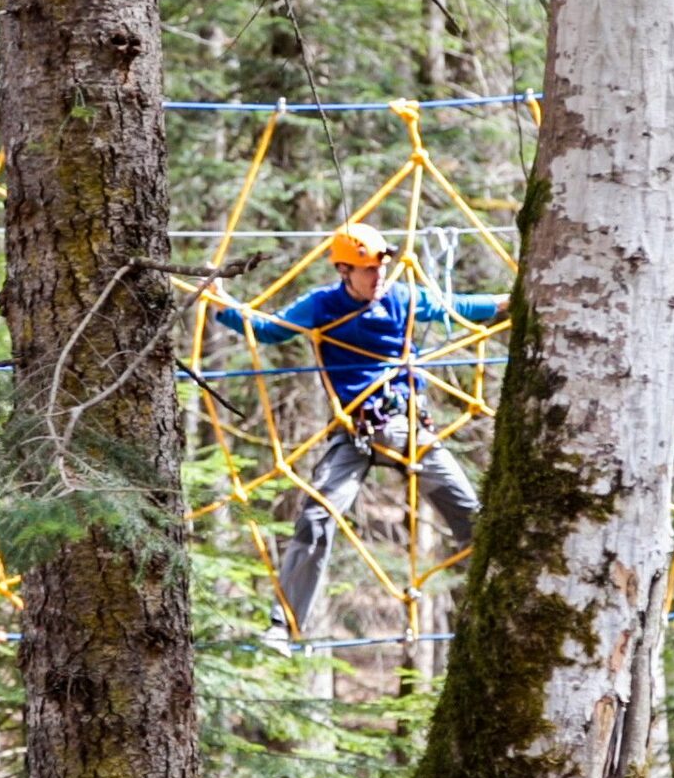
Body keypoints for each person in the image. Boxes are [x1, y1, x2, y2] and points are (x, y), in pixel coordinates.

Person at [211, 223, 509, 643]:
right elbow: (269, 330)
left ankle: (502, 609)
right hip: (355, 434)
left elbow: (453, 305)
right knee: (315, 518)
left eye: (381, 268)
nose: (378, 277)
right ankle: (285, 626)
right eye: (369, 270)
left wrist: (503, 303)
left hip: (409, 431)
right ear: (344, 270)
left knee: (470, 516)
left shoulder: (403, 298)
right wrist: (221, 305)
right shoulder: (322, 306)